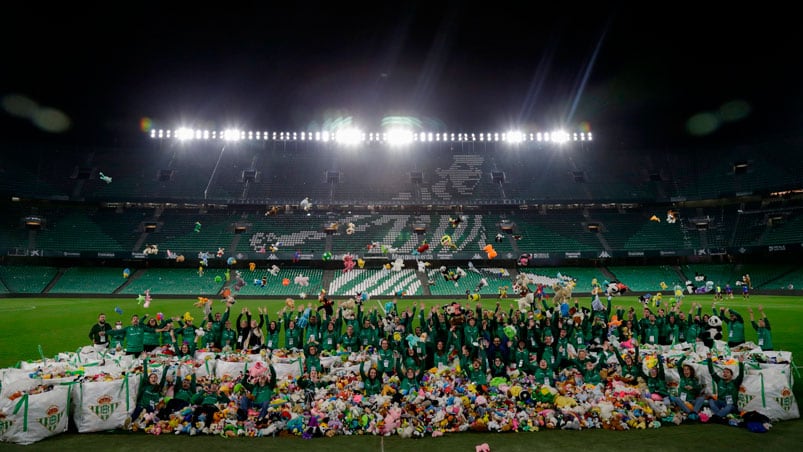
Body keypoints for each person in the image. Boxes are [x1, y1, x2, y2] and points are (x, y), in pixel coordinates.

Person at [706, 352, 745, 422]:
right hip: (720, 402)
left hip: (731, 405)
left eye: (727, 372)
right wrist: (709, 359)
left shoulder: (735, 383)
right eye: (724, 372)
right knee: (711, 401)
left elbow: (741, 375)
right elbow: (711, 371)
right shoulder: (719, 381)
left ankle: (716, 417)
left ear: (731, 375)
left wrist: (740, 363)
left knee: (729, 406)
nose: (725, 374)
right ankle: (720, 415)